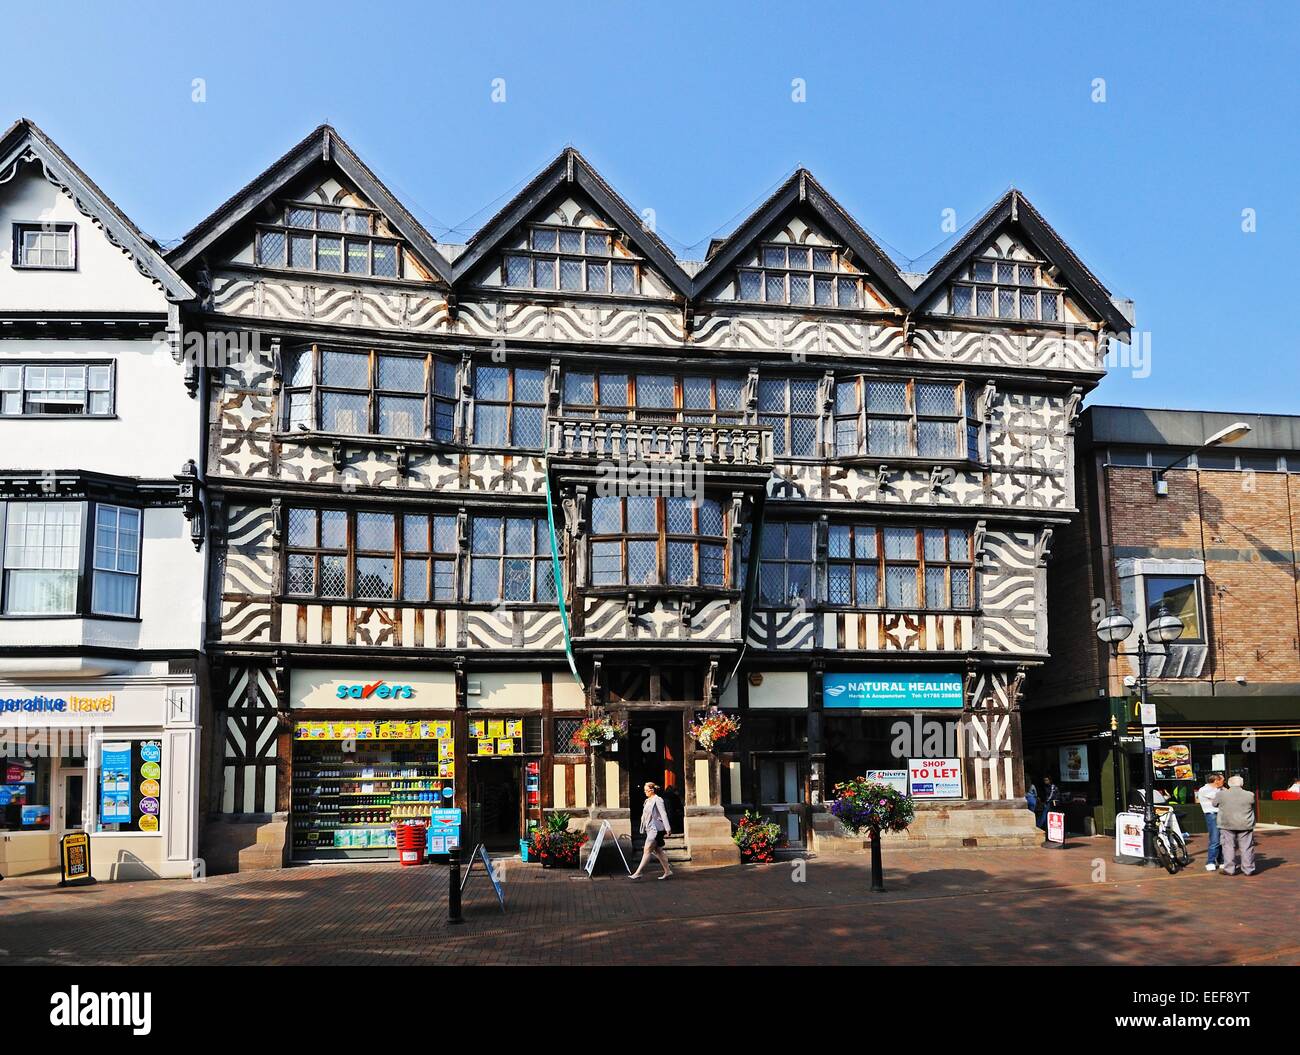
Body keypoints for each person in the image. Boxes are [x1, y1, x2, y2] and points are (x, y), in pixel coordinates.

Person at [1214, 774, 1257, 877]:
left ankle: (1229, 869)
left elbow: (1214, 804)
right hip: (1245, 824)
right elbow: (1252, 803)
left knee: (1228, 846)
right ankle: (1248, 869)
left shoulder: (1221, 794)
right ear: (1241, 784)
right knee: (1246, 847)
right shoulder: (1249, 794)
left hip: (1226, 824)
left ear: (1229, 784)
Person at [629, 781, 673, 881]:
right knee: (658, 850)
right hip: (649, 829)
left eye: (646, 790)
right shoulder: (647, 801)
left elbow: (663, 814)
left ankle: (638, 872)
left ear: (652, 790)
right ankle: (667, 871)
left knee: (647, 849)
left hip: (656, 829)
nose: (645, 792)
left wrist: (668, 828)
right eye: (644, 790)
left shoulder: (658, 800)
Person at [1196, 772, 1225, 871]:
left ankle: (1222, 860)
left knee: (1222, 838)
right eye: (1222, 780)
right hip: (1212, 814)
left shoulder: (1220, 789)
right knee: (1215, 839)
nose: (1223, 782)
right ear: (1216, 781)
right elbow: (1220, 798)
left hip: (1221, 814)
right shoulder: (1205, 789)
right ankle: (1210, 861)